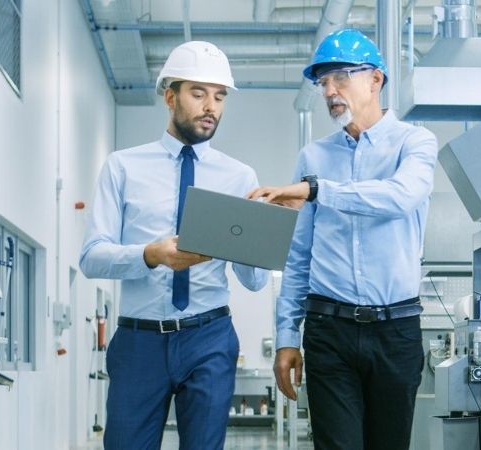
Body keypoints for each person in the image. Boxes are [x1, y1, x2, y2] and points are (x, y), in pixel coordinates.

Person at [247, 28, 439, 450]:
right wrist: (286, 338)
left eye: (341, 77)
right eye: (323, 82)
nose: (330, 90)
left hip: (396, 330)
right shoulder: (313, 156)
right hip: (328, 330)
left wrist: (318, 190)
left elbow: (400, 196)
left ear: (376, 79)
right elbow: (299, 257)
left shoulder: (415, 143)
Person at [81, 41, 268, 450]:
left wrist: (260, 234)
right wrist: (151, 255)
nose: (211, 107)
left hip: (210, 337)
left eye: (219, 97)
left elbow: (255, 282)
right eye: (198, 93)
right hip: (139, 341)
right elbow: (92, 256)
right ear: (170, 96)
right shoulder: (123, 166)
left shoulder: (239, 176)